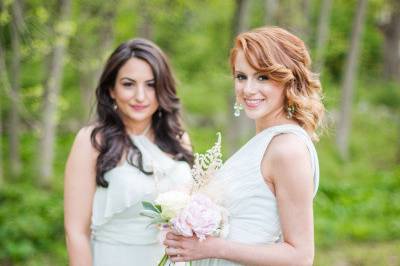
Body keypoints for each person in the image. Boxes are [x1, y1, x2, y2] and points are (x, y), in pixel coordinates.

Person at [164, 26, 325, 266]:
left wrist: (214, 248)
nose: (248, 90)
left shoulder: (287, 150)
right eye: (241, 76)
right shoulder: (265, 142)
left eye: (263, 77)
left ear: (288, 79)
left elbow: (300, 256)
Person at [64, 38, 194, 266]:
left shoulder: (179, 139)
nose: (140, 96)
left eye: (151, 85)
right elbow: (75, 232)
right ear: (111, 90)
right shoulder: (92, 141)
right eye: (128, 84)